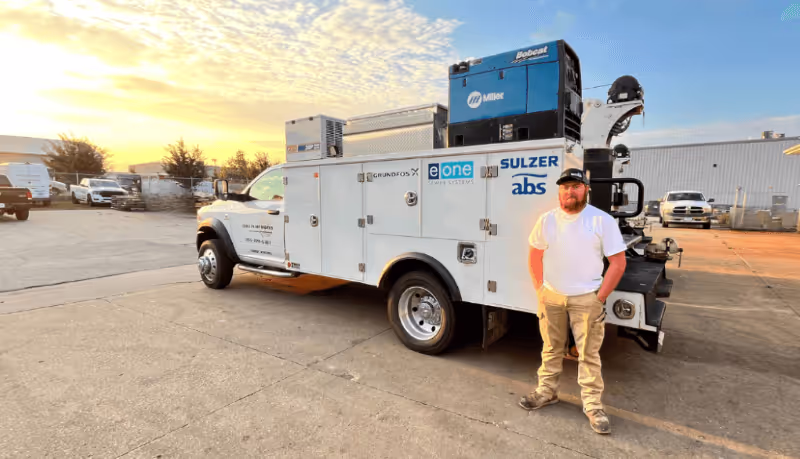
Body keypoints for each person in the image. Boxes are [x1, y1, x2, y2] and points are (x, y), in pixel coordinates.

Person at [518, 168, 628, 435]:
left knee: (588, 353)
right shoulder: (547, 220)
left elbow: (618, 263)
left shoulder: (601, 220)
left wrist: (600, 298)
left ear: (586, 189)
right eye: (565, 187)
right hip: (551, 296)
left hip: (587, 298)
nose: (570, 191)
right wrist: (540, 289)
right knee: (551, 347)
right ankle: (547, 392)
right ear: (559, 191)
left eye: (576, 186)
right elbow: (534, 255)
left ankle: (593, 405)